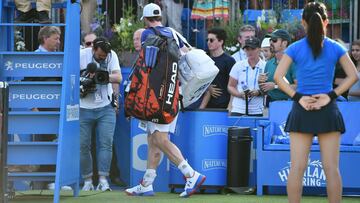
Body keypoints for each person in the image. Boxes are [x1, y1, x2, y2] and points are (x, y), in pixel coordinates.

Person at [273, 2, 358, 203]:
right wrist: (330, 96)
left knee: (297, 168)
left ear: (303, 23)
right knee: (331, 169)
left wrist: (298, 98)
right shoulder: (336, 47)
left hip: (302, 109)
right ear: (326, 21)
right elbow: (353, 75)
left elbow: (278, 77)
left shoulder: (294, 48)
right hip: (327, 109)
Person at [125, 3, 205, 198]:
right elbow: (189, 52)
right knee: (153, 139)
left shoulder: (146, 34)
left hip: (155, 97)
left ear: (144, 19)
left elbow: (146, 67)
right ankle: (147, 183)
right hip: (173, 94)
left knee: (159, 139)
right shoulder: (174, 33)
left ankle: (190, 174)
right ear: (160, 16)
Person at [80, 37, 122, 191]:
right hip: (83, 106)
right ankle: (88, 181)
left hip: (105, 107)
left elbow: (118, 77)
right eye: (99, 56)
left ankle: (104, 180)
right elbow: (69, 77)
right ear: (93, 50)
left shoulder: (112, 56)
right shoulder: (81, 55)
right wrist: (83, 80)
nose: (102, 58)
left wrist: (102, 77)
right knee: (83, 146)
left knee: (106, 144)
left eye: (104, 56)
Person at [228, 37, 266, 116]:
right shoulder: (238, 65)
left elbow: (269, 88)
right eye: (247, 49)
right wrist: (240, 94)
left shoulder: (265, 66)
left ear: (259, 49)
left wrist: (258, 92)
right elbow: (230, 86)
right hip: (238, 109)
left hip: (257, 110)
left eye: (252, 49)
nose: (249, 52)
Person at [199, 27, 236, 109]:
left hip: (223, 105)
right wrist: (208, 87)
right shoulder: (205, 59)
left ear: (221, 42)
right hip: (207, 104)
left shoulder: (229, 61)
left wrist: (230, 107)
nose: (208, 42)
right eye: (207, 40)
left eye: (211, 40)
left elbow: (234, 85)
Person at [258, 29, 297, 107]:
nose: (271, 43)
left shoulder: (293, 62)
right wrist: (260, 83)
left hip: (289, 105)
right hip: (271, 105)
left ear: (284, 43)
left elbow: (298, 87)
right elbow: (264, 91)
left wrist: (275, 86)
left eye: (274, 40)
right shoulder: (269, 63)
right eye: (270, 40)